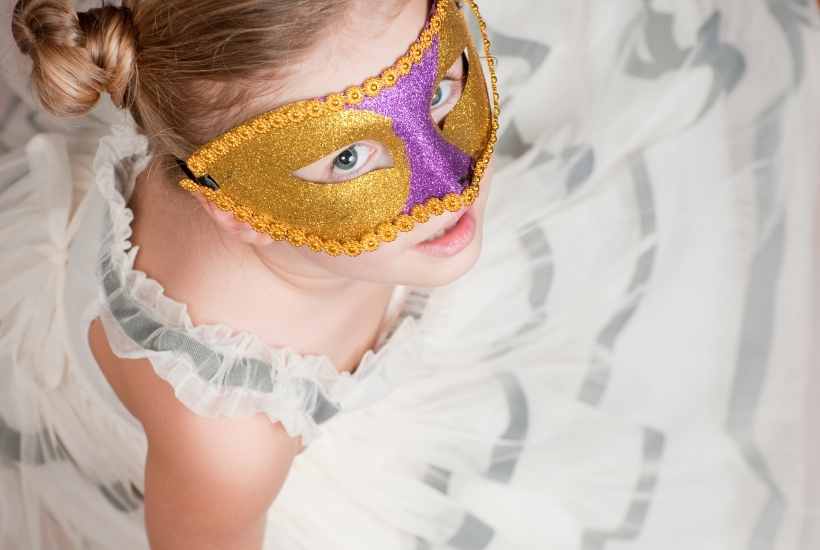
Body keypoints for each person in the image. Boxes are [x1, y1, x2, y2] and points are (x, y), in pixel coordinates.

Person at [0, 0, 818, 549]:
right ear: (234, 207)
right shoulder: (227, 442)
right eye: (348, 156)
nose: (449, 179)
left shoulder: (252, 164)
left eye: (440, 90)